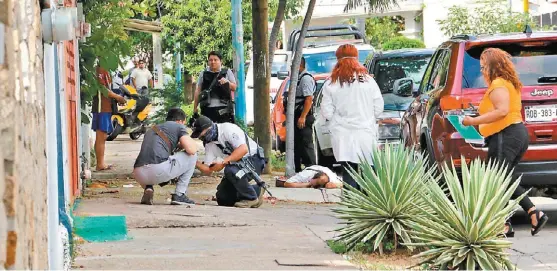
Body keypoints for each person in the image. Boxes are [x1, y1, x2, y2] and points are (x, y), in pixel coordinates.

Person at [462, 48, 548, 236]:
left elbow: (502, 111)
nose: (482, 69)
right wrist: (477, 114)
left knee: (499, 177)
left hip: (506, 134)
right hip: (514, 134)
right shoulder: (506, 82)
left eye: (483, 65)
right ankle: (505, 223)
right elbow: (498, 110)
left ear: (492, 66)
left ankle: (533, 213)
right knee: (500, 178)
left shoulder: (499, 84)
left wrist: (472, 121)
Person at [319, 44, 384, 190]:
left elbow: (326, 111)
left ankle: (350, 203)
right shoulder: (368, 81)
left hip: (342, 134)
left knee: (348, 169)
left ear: (338, 60)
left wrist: (338, 120)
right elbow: (378, 108)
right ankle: (370, 203)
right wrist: (367, 117)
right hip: (365, 131)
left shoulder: (331, 82)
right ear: (357, 59)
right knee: (369, 170)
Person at [191, 116, 266, 208]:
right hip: (236, 166)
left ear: (209, 129)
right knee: (223, 198)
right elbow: (208, 169)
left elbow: (243, 149)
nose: (201, 138)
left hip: (253, 160)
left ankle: (250, 198)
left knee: (230, 170)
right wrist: (193, 160)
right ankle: (256, 190)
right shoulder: (209, 144)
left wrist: (223, 162)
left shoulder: (227, 129)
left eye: (201, 135)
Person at [133, 108, 198, 205]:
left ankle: (148, 187)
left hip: (138, 173)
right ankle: (179, 195)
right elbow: (191, 149)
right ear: (180, 121)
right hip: (157, 171)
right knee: (192, 156)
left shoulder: (153, 128)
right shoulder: (178, 127)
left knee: (155, 158)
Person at [92, 66, 127, 171]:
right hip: (101, 107)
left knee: (102, 137)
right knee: (101, 136)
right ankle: (100, 164)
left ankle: (101, 163)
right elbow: (103, 89)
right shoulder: (99, 70)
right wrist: (117, 97)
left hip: (106, 107)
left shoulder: (106, 70)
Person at [193, 51, 237, 123]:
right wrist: (195, 107)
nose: (213, 62)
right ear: (208, 62)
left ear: (220, 61)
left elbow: (234, 87)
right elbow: (198, 90)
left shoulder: (227, 72)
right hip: (207, 109)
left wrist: (227, 82)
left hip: (223, 109)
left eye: (215, 60)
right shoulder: (203, 73)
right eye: (210, 60)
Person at [291, 57, 317, 172]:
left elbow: (308, 99)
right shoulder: (298, 78)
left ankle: (312, 169)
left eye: (293, 66)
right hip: (297, 115)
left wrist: (303, 117)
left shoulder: (305, 79)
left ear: (299, 65)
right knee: (297, 144)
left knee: (306, 144)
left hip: (303, 116)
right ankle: (298, 169)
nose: (291, 68)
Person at [275, 165, 342, 189]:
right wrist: (308, 184)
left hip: (324, 173)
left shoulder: (331, 176)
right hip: (311, 172)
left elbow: (329, 185)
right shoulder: (307, 174)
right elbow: (287, 184)